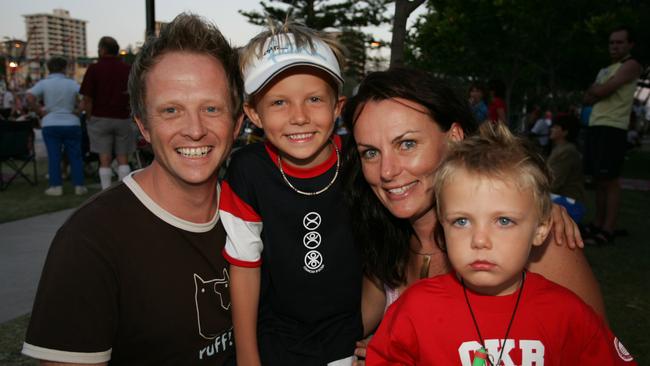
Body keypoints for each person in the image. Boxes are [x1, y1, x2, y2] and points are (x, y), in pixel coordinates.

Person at [340, 68, 605, 363]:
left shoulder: (538, 243)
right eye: (370, 153)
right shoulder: (388, 238)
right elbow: (345, 328)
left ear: (454, 137)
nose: (387, 171)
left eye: (407, 144)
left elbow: (590, 349)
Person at [22, 13, 243, 365]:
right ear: (142, 125)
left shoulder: (254, 211)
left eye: (212, 108)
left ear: (238, 123)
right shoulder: (90, 242)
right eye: (171, 110)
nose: (195, 129)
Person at [366, 122, 636, 365]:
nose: (479, 240)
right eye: (461, 221)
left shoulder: (568, 315)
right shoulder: (414, 310)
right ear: (443, 226)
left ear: (541, 229)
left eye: (504, 221)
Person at [219, 23, 362, 365]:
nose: (299, 117)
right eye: (279, 102)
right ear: (254, 113)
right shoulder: (248, 171)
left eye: (314, 99)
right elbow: (244, 268)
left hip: (351, 337)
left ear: (337, 106)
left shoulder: (360, 161)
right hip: (277, 339)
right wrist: (248, 358)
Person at [582, 26, 642, 245]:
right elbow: (588, 98)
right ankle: (598, 224)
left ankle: (608, 229)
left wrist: (597, 89)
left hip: (613, 127)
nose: (615, 46)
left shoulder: (631, 65)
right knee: (598, 179)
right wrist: (597, 90)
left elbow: (599, 92)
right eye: (612, 42)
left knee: (610, 180)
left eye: (619, 42)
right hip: (597, 124)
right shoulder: (606, 69)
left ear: (630, 45)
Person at [26, 57, 86, 196]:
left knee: (54, 156)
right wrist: (78, 111)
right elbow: (86, 97)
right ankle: (79, 186)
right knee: (75, 156)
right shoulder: (71, 83)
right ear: (64, 68)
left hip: (51, 122)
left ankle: (56, 186)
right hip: (71, 122)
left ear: (48, 68)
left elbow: (29, 96)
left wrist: (39, 111)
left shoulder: (44, 83)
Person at [80, 35, 134, 189]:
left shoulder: (94, 69)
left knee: (104, 158)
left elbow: (87, 98)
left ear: (102, 50)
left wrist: (90, 118)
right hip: (123, 117)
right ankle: (124, 191)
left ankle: (106, 191)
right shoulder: (127, 69)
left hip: (100, 117)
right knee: (123, 157)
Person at [548, 113, 587, 223]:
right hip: (562, 200)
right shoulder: (561, 149)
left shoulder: (567, 152)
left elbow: (555, 183)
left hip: (569, 203)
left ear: (565, 132)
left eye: (555, 127)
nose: (552, 129)